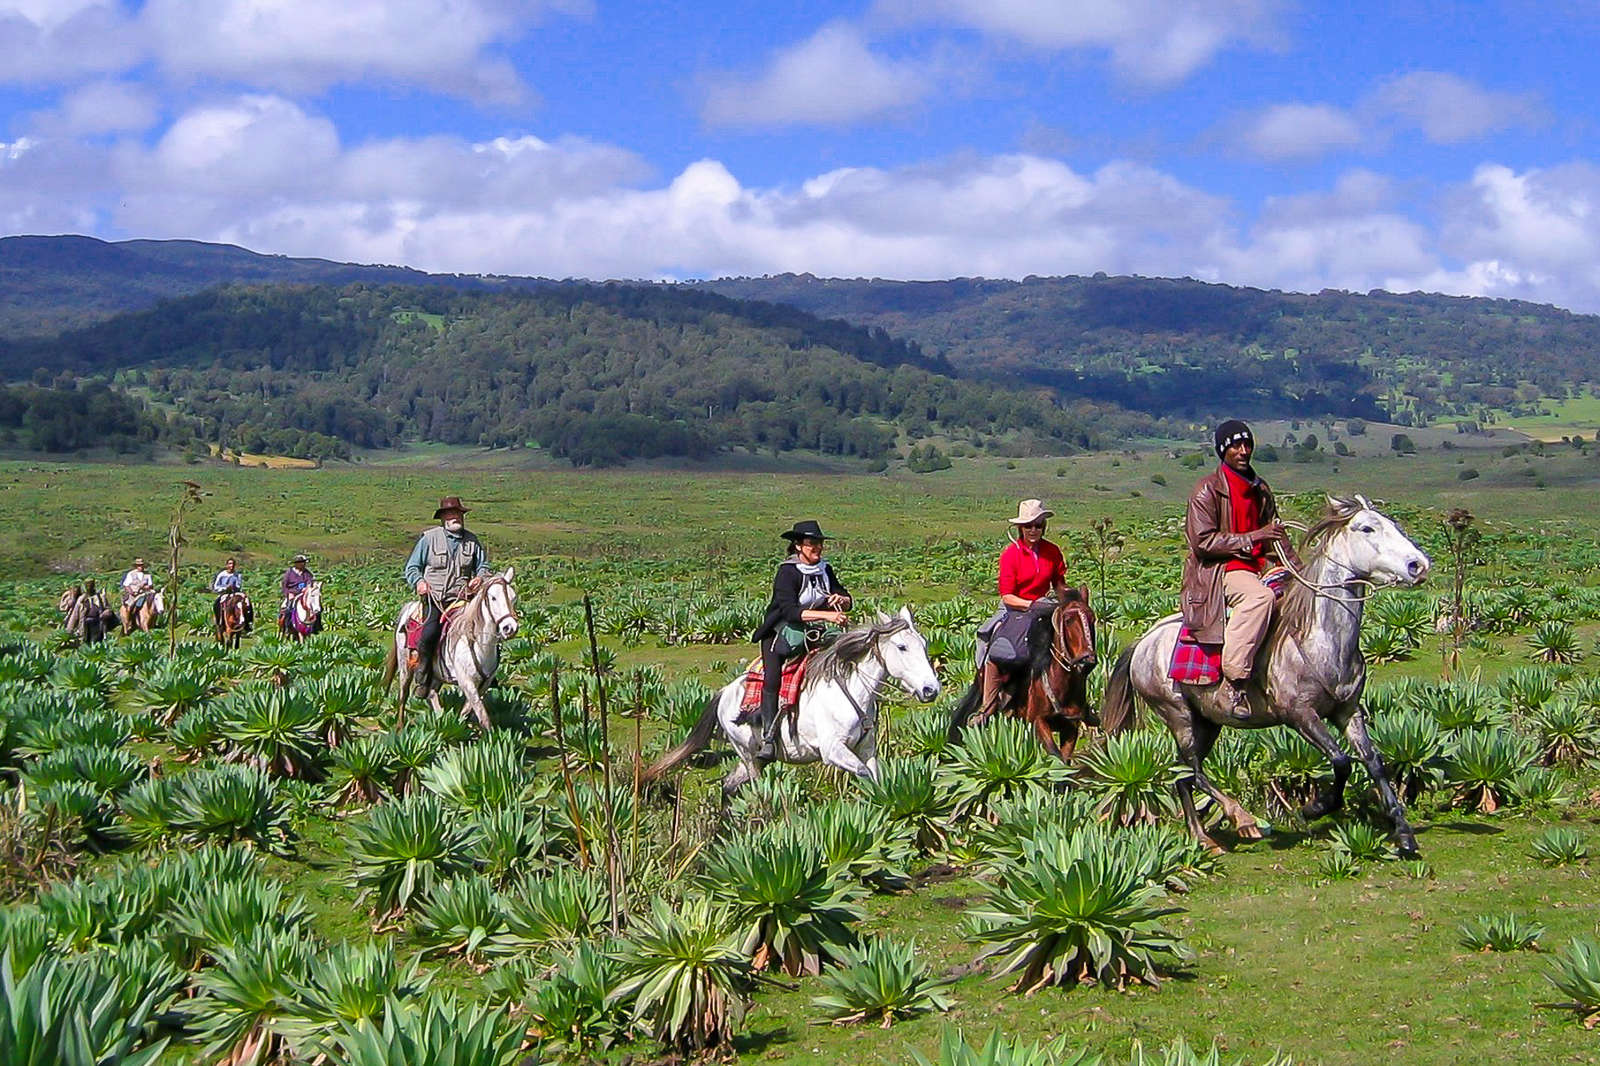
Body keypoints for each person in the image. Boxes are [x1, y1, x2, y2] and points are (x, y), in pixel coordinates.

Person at [1182, 419, 1299, 718]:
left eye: (1247, 444)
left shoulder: (1260, 488)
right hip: (1221, 570)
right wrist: (1253, 537)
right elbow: (1203, 542)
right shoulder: (1206, 490)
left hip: (1260, 566)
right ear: (1223, 450)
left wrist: (1301, 573)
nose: (1243, 450)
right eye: (1235, 445)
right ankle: (1232, 683)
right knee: (1259, 598)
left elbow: (1274, 535)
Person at [750, 520, 851, 760]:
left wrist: (843, 600)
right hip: (782, 632)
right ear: (798, 546)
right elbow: (789, 610)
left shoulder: (824, 569)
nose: (817, 548)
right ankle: (768, 737)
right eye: (811, 543)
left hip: (814, 630)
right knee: (772, 678)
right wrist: (828, 614)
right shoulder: (787, 572)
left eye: (819, 543)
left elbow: (842, 592)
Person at [975, 499, 1068, 719]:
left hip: (1045, 607)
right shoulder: (1011, 554)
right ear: (1020, 528)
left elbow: (1059, 583)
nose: (1033, 530)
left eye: (1038, 525)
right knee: (992, 645)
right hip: (1015, 609)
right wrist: (1032, 605)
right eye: (1028, 526)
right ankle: (987, 707)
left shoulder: (1052, 551)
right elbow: (1007, 596)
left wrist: (1067, 600)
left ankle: (1074, 700)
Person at [403, 496, 493, 695]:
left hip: (462, 599)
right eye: (451, 514)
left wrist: (479, 578)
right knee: (430, 633)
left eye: (458, 514)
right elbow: (412, 567)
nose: (455, 518)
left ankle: (487, 672)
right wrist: (419, 582)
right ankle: (423, 677)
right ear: (443, 518)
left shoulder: (472, 541)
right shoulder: (428, 539)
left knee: (486, 630)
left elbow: (484, 566)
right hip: (434, 598)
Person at [212, 557, 253, 632]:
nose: (232, 566)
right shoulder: (222, 575)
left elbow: (239, 585)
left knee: (247, 601)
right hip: (224, 593)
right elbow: (216, 586)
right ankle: (219, 621)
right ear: (227, 565)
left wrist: (234, 587)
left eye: (233, 564)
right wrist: (225, 588)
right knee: (217, 603)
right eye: (230, 564)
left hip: (235, 592)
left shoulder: (237, 575)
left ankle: (248, 622)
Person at [279, 554, 317, 633]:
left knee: (316, 607)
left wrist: (307, 589)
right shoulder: (289, 573)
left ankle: (316, 627)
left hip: (304, 595)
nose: (303, 564)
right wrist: (288, 594)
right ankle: (286, 627)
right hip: (292, 594)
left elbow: (310, 582)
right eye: (301, 562)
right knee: (287, 609)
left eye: (304, 562)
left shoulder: (307, 573)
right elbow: (284, 585)